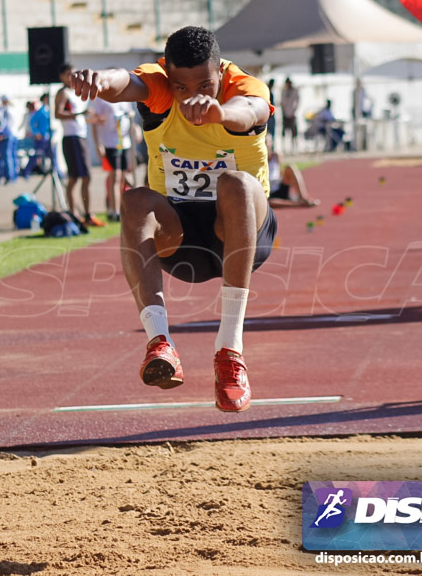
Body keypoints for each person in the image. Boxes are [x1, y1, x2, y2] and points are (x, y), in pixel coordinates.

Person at [70, 26, 277, 412]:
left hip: (239, 231)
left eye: (205, 85)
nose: (192, 95)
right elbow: (125, 83)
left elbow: (252, 111)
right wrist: (100, 81)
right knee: (133, 200)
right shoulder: (162, 85)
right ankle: (160, 344)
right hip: (180, 237)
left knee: (235, 183)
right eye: (181, 87)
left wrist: (220, 111)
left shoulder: (245, 87)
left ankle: (230, 353)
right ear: (169, 76)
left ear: (221, 72)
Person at [57, 64, 103, 226]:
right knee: (77, 177)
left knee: (82, 176)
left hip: (80, 137)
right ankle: (77, 213)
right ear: (62, 76)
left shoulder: (76, 93)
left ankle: (84, 213)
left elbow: (81, 117)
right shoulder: (63, 92)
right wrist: (79, 114)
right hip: (71, 138)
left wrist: (95, 119)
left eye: (74, 73)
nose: (72, 77)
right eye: (69, 74)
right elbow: (58, 113)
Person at [89, 96, 138, 222]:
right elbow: (93, 121)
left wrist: (135, 129)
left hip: (125, 142)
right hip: (110, 142)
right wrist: (98, 144)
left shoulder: (125, 97)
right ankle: (114, 210)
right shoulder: (101, 99)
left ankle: (123, 207)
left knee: (125, 176)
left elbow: (131, 115)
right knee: (115, 175)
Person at [22, 93, 53, 178]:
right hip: (41, 138)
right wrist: (36, 133)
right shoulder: (41, 111)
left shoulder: (48, 110)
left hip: (48, 137)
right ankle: (25, 172)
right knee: (36, 155)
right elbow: (32, 123)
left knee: (52, 155)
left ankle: (57, 173)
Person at [280, 78, 300, 155]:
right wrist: (284, 112)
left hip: (292, 114)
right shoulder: (284, 91)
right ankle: (284, 148)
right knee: (284, 132)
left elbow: (297, 102)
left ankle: (294, 149)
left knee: (294, 133)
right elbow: (282, 103)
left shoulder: (294, 91)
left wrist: (293, 112)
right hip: (285, 114)